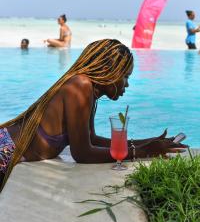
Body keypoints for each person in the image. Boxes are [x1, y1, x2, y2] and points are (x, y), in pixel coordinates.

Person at [0, 39, 187, 191]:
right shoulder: (80, 86)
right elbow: (82, 153)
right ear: (110, 71)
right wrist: (144, 151)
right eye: (126, 77)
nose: (127, 85)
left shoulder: (88, 90)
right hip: (4, 153)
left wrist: (148, 142)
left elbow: (92, 139)